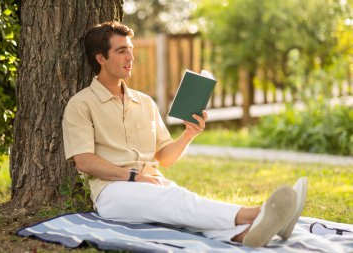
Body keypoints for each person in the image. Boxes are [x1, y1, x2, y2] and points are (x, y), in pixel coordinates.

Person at [62, 21, 308, 248]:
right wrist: (134, 176)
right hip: (112, 191)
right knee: (178, 201)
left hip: (152, 184)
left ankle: (243, 235)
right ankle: (256, 213)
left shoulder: (144, 102)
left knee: (184, 208)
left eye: (131, 49)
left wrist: (189, 134)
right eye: (121, 51)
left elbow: (164, 157)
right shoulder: (81, 104)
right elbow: (84, 161)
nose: (131, 57)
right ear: (100, 58)